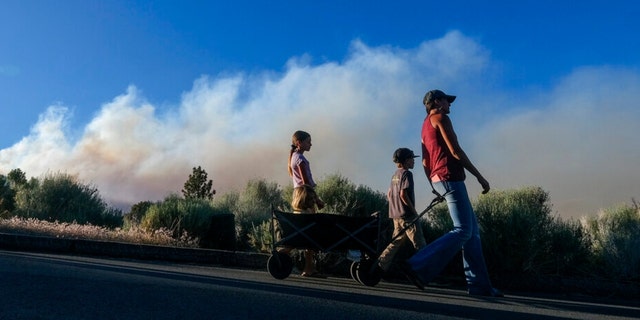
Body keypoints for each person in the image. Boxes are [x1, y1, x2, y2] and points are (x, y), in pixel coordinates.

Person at [408, 89, 503, 297]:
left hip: (440, 178)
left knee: (472, 233)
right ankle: (418, 265)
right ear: (436, 102)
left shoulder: (424, 126)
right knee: (462, 230)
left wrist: (433, 183)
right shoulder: (440, 118)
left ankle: (479, 286)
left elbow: (425, 160)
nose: (450, 105)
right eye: (447, 101)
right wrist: (479, 176)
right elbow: (455, 151)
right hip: (449, 177)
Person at [376, 147, 427, 290]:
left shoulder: (395, 175)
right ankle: (420, 272)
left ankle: (379, 266)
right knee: (420, 245)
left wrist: (394, 208)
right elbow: (403, 195)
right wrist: (414, 212)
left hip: (396, 215)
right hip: (408, 216)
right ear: (405, 161)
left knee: (395, 243)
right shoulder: (406, 174)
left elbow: (389, 194)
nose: (413, 161)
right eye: (411, 159)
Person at [287, 130, 326, 278]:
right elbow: (306, 183)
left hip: (299, 196)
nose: (311, 144)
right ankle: (283, 255)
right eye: (308, 141)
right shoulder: (300, 159)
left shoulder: (294, 157)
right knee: (306, 233)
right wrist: (317, 200)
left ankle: (310, 268)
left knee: (305, 233)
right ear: (299, 143)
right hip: (305, 197)